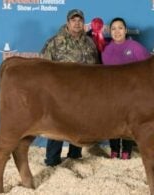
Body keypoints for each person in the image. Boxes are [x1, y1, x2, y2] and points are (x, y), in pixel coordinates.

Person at [41, 9, 99, 166]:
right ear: (68, 22)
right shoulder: (54, 42)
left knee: (79, 124)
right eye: (73, 20)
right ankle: (52, 160)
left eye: (80, 20)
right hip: (60, 94)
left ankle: (74, 156)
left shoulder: (90, 43)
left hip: (83, 94)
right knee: (57, 127)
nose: (77, 22)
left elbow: (97, 68)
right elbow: (43, 68)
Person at [101, 17, 151, 159]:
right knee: (112, 121)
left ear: (125, 30)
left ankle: (126, 151)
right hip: (111, 94)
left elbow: (149, 67)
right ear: (110, 31)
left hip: (131, 95)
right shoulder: (106, 50)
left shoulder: (135, 47)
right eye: (114, 28)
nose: (117, 31)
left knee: (130, 122)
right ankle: (114, 150)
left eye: (120, 28)